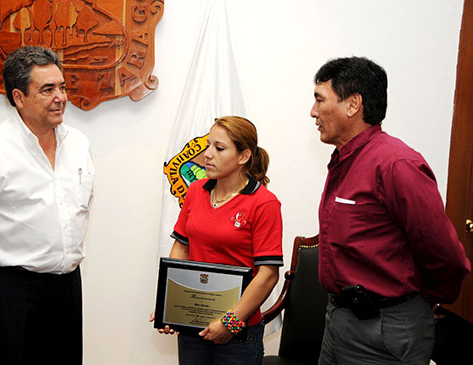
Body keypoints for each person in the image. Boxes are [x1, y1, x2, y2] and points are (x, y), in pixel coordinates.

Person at [310, 56, 471, 364]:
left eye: (320, 100)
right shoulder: (344, 160)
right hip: (338, 323)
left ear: (353, 104)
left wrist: (420, 302)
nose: (313, 111)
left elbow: (445, 254)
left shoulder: (396, 164)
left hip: (384, 331)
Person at [0, 46, 94, 364]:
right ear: (19, 97)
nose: (60, 97)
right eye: (47, 89)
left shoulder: (78, 144)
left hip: (68, 287)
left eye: (62, 87)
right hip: (11, 292)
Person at [151, 116, 283, 364]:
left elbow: (268, 275)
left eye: (219, 148)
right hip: (193, 328)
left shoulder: (264, 203)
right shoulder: (195, 191)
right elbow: (182, 246)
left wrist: (230, 323)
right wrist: (170, 304)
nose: (206, 155)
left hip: (239, 336)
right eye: (208, 145)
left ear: (243, 156)